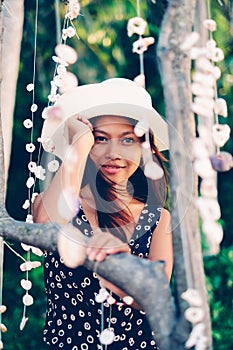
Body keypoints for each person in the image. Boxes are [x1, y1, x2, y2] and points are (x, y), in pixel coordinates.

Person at [33, 78, 173, 350]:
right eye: (101, 139)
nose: (114, 153)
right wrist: (80, 143)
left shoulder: (158, 219)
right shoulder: (56, 202)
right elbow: (46, 224)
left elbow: (155, 298)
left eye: (128, 139)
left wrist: (116, 269)